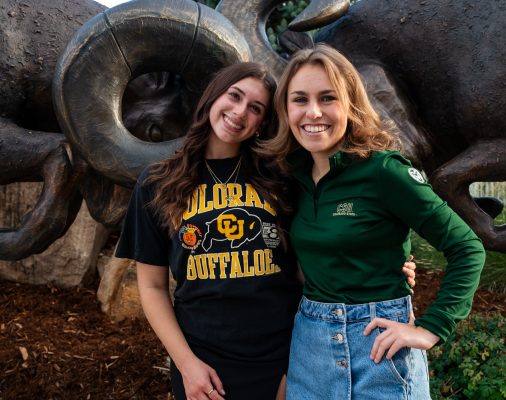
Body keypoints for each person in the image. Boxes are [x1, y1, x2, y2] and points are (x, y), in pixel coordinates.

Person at [115, 62, 417, 400]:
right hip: (202, 362)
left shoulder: (282, 177)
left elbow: (315, 254)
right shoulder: (157, 183)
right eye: (234, 96)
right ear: (213, 97)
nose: (240, 111)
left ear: (263, 122)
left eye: (255, 107)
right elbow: (153, 287)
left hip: (285, 356)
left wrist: (375, 264)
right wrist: (187, 365)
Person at [264, 44, 486, 399]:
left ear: (350, 104)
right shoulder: (292, 176)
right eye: (300, 100)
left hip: (378, 346)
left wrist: (431, 329)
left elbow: (466, 247)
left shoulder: (384, 171)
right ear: (285, 109)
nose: (313, 112)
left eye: (328, 98)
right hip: (310, 347)